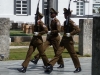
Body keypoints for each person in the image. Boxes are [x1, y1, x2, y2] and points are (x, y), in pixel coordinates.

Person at [44, 8, 81, 74]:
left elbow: (78, 30)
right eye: (64, 14)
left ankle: (78, 67)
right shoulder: (65, 21)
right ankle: (50, 65)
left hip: (69, 41)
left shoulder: (71, 22)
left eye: (66, 14)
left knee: (73, 55)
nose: (64, 15)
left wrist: (70, 34)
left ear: (69, 15)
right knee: (58, 53)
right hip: (63, 40)